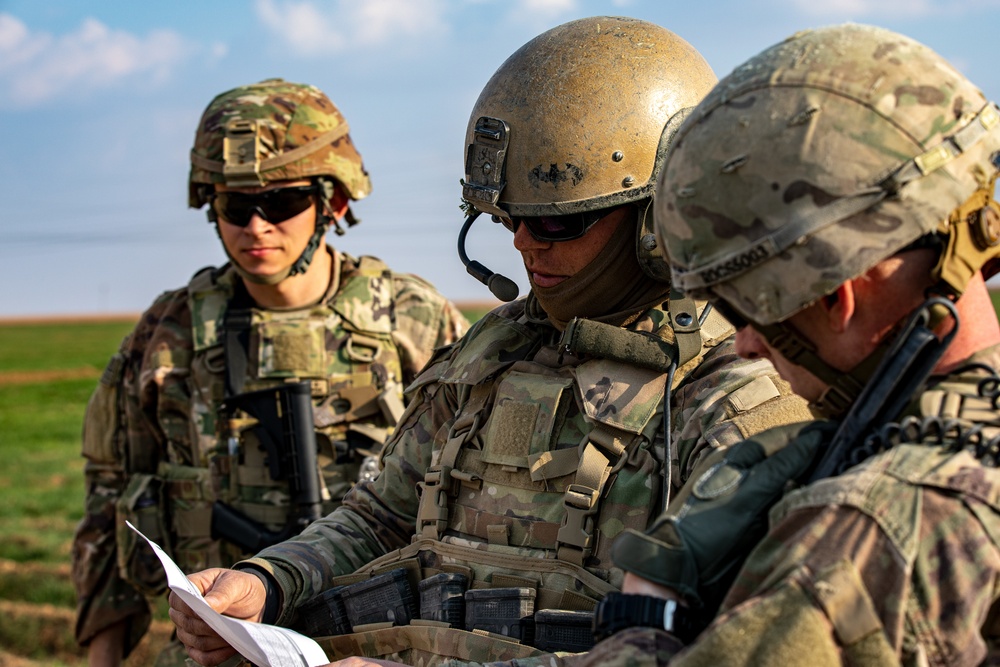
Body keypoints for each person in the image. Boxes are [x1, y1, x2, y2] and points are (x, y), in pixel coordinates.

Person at [167, 17, 814, 667]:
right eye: (508, 218)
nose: (524, 244)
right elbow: (379, 517)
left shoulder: (733, 399)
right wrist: (268, 580)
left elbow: (735, 648)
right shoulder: (496, 351)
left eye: (561, 222)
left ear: (661, 215)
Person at [573, 23, 1000, 666]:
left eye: (745, 309)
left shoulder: (867, 530)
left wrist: (644, 611)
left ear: (837, 297)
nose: (743, 346)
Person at [70, 78, 469, 667]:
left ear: (333, 202)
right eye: (234, 206)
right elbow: (110, 508)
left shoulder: (414, 321)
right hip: (213, 649)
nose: (256, 226)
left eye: (280, 204)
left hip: (375, 650)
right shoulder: (169, 333)